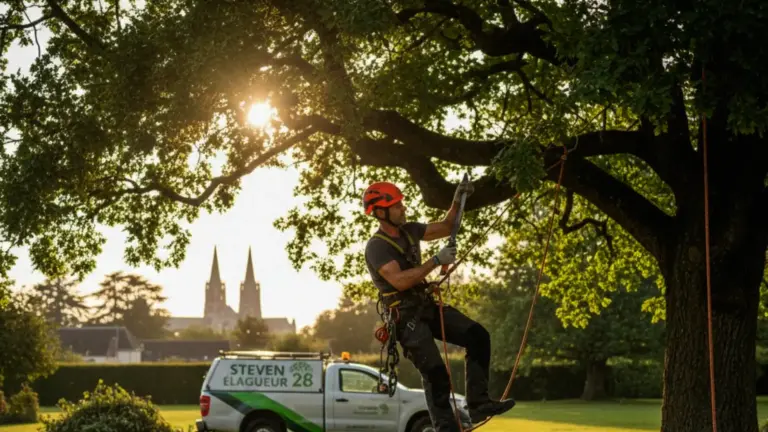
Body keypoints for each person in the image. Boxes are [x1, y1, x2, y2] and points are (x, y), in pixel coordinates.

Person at [362, 181, 516, 431]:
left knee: (477, 336)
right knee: (436, 374)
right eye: (397, 205)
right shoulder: (377, 246)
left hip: (425, 305)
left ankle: (478, 403)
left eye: (401, 203)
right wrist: (435, 260)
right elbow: (399, 281)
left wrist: (457, 200)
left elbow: (447, 226)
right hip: (406, 316)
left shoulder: (410, 230)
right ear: (380, 212)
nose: (403, 208)